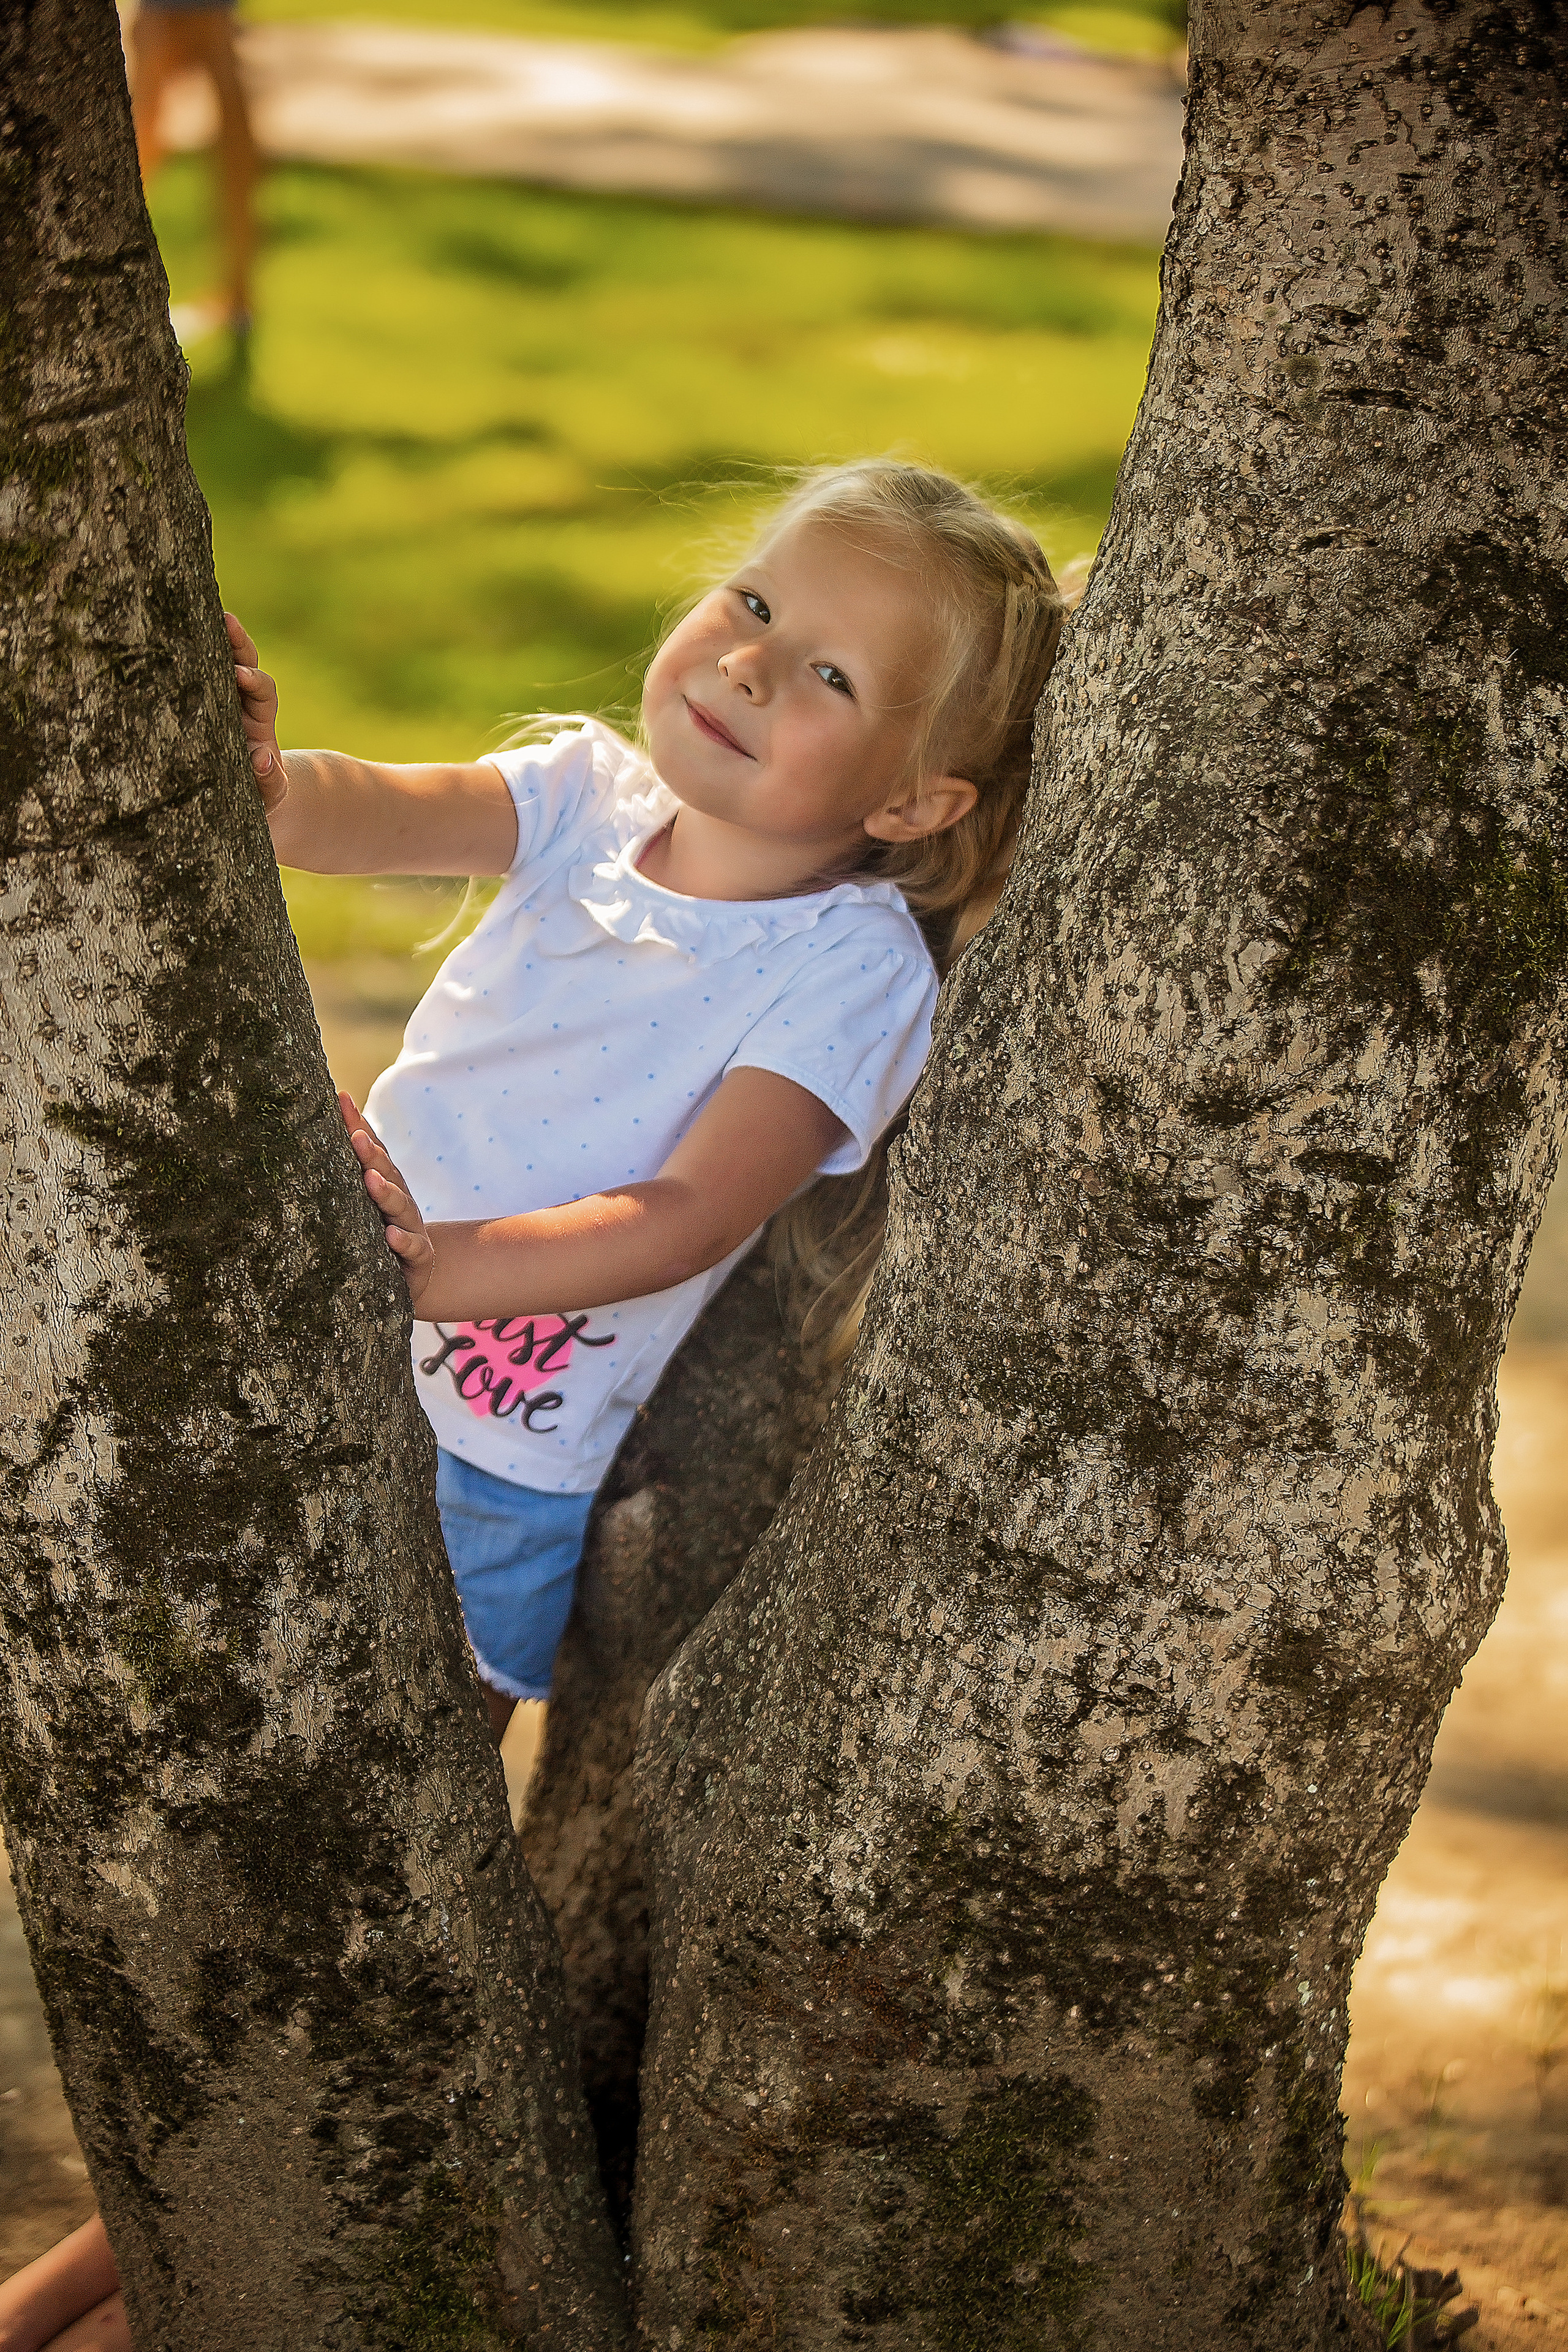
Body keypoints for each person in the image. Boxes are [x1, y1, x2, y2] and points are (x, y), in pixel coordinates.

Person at [0, 462, 1074, 2346]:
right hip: (302, 1364)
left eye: (826, 673)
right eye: (748, 604)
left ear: (912, 801)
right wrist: (253, 768)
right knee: (156, 1761)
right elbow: (363, 813)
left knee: (341, 1919)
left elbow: (686, 1212)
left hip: (490, 1463)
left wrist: (418, 1271)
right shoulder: (589, 793)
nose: (744, 663)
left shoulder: (848, 969)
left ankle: (80, 2286)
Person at [130, 0, 259, 336]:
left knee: (236, 147)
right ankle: (239, 293)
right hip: (166, 13)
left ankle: (239, 293)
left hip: (211, 12)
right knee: (140, 136)